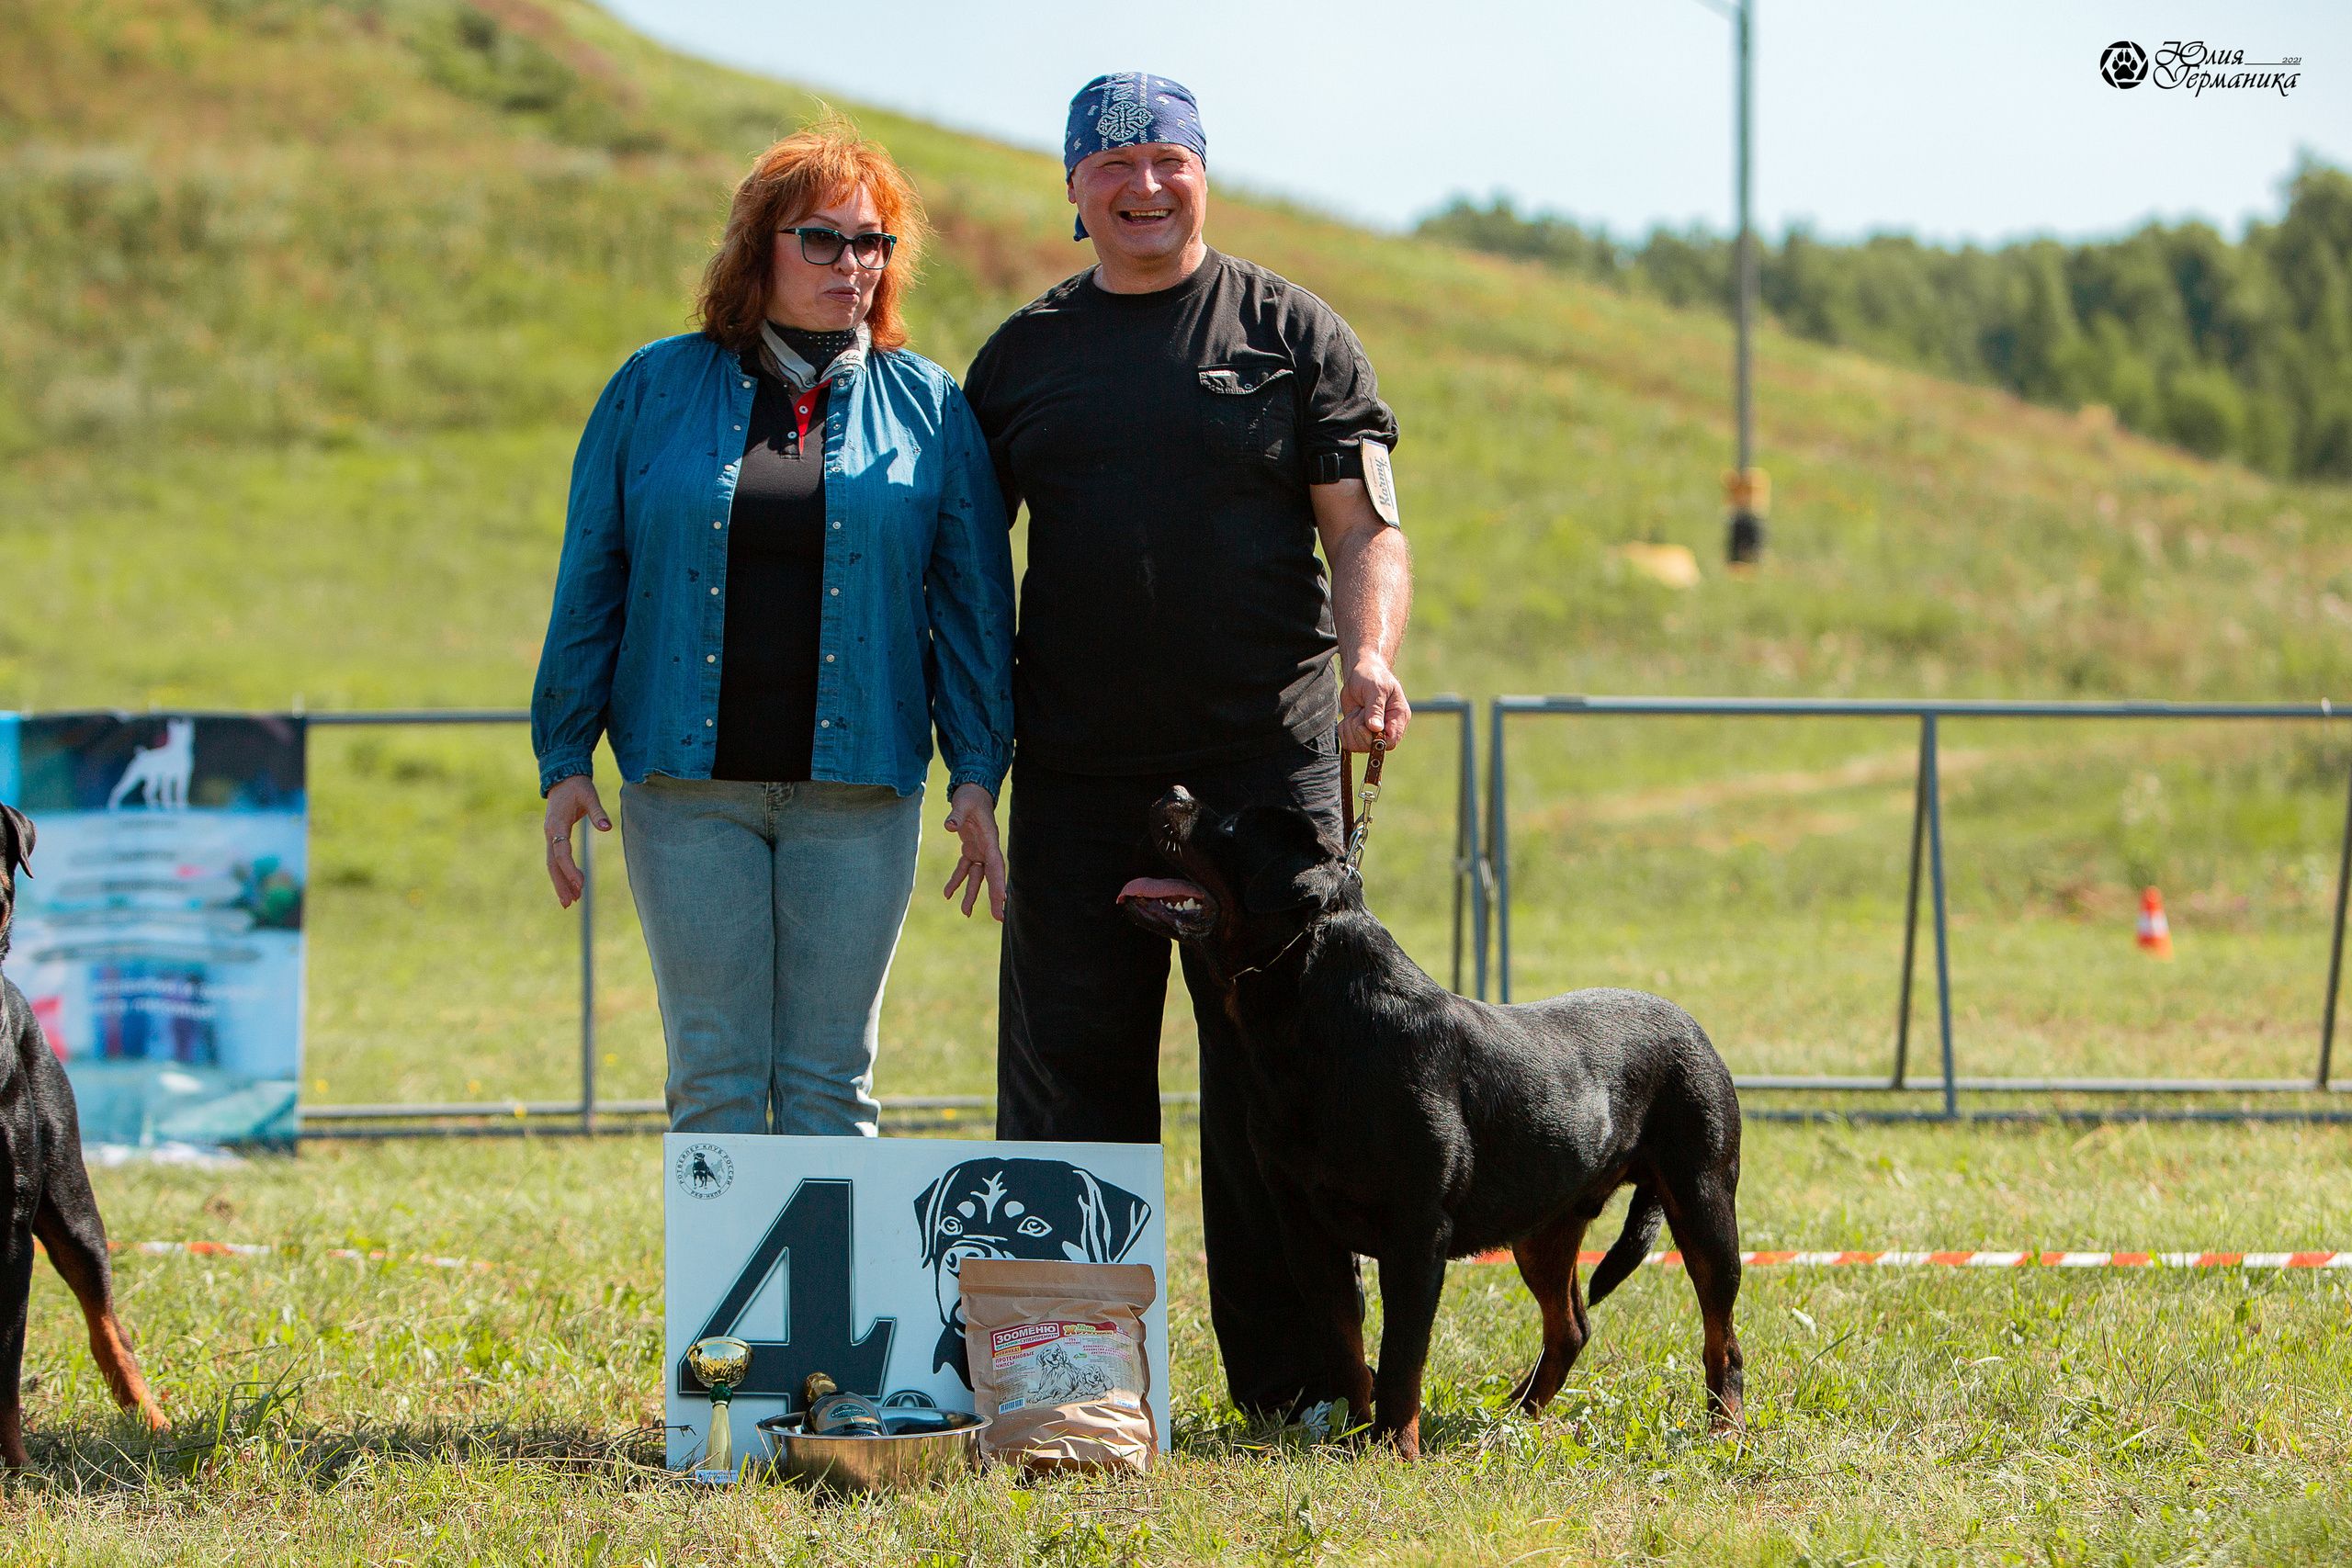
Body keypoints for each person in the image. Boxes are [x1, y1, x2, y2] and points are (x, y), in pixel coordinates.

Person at [962, 74, 1413, 1424]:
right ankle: (1067, 1389)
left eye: (1169, 161)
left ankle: (1304, 1386)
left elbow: (1365, 526)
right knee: (1069, 1078)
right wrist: (971, 758)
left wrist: (1374, 655)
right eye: (1116, 167)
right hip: (1084, 778)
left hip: (1264, 780)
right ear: (1073, 188)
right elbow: (963, 573)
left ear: (1203, 172)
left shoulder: (1294, 333)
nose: (1144, 188)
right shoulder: (1020, 360)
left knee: (1282, 1080)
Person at [531, 118, 1014, 1137]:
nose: (854, 264)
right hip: (685, 794)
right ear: (760, 248)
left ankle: (825, 1310)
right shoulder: (651, 389)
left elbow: (972, 610)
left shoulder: (931, 408)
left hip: (860, 796)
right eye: (823, 239)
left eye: (873, 242)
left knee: (831, 1088)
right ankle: (728, 1309)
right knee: (713, 1082)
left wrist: (977, 773)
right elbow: (592, 578)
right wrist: (563, 750)